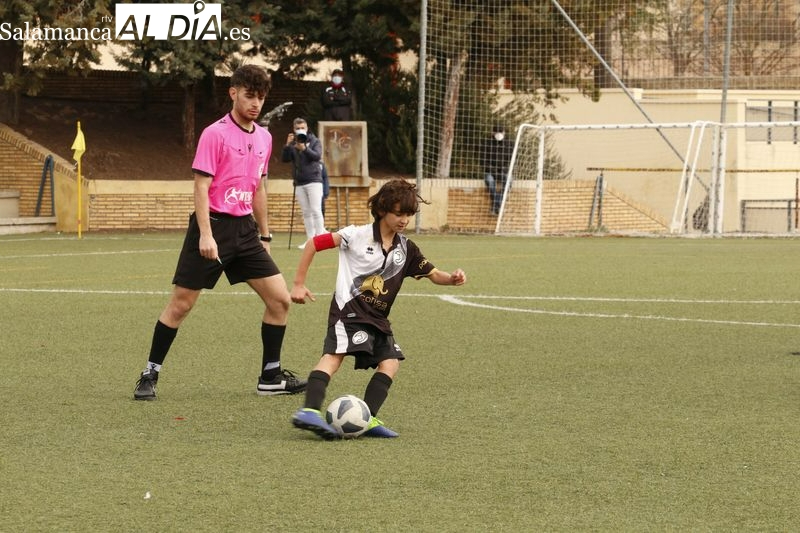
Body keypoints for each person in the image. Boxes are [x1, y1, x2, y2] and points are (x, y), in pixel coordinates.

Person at [133, 64, 306, 401]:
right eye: (249, 95)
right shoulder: (215, 133)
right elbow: (201, 187)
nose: (255, 103)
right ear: (234, 93)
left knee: (280, 300)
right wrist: (205, 234)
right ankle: (149, 373)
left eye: (261, 97)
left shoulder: (265, 137)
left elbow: (258, 189)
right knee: (181, 305)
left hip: (245, 232)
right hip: (212, 226)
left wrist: (265, 237)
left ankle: (270, 376)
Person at [289, 179, 468, 440]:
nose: (404, 219)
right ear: (383, 209)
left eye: (408, 214)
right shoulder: (355, 235)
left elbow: (434, 273)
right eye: (399, 213)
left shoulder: (406, 249)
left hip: (378, 318)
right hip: (348, 311)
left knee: (390, 364)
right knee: (335, 356)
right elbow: (314, 243)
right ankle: (309, 411)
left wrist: (451, 278)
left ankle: (367, 418)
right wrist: (298, 284)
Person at [282, 117, 326, 249]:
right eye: (297, 128)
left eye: (302, 128)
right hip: (299, 182)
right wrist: (287, 145)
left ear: (307, 128)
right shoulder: (293, 143)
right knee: (306, 212)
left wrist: (304, 148)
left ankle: (320, 239)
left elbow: (317, 156)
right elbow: (285, 159)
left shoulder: (314, 141)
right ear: (294, 130)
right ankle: (310, 240)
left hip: (314, 180)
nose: (300, 130)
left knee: (316, 210)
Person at [480, 124, 515, 215]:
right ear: (493, 132)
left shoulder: (510, 144)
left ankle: (495, 205)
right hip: (491, 171)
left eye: (501, 132)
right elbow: (483, 161)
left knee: (509, 180)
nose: (499, 134)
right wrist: (492, 169)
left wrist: (505, 169)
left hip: (504, 171)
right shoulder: (486, 144)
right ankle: (499, 205)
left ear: (504, 133)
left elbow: (513, 160)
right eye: (497, 132)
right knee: (489, 181)